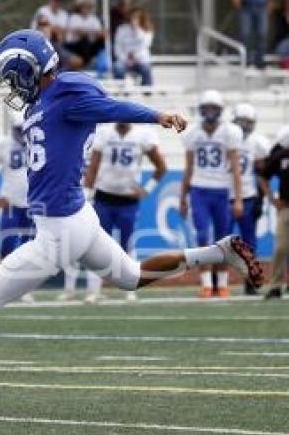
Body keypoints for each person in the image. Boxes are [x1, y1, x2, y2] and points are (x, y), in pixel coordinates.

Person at [0, 29, 263, 410]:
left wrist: (157, 116)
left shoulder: (67, 90)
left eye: (13, 77)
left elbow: (112, 108)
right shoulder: (45, 100)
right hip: (77, 218)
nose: (11, 86)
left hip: (58, 232)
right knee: (131, 276)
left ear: (32, 69)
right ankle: (218, 252)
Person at [83, 122, 167, 303]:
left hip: (128, 200)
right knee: (96, 246)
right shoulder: (104, 133)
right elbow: (93, 167)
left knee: (127, 245)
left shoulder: (142, 135)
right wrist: (88, 195)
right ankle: (93, 290)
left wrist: (146, 189)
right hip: (104, 197)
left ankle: (130, 288)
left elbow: (161, 167)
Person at [180, 90, 244, 298]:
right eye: (206, 108)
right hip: (199, 190)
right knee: (202, 235)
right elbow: (188, 168)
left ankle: (223, 283)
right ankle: (207, 284)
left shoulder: (229, 132)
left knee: (223, 239)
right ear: (201, 110)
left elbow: (235, 168)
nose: (209, 112)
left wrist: (239, 199)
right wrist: (182, 197)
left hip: (222, 191)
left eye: (213, 108)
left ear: (220, 110)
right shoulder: (193, 134)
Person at [0, 113, 35, 273]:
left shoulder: (41, 142)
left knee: (30, 247)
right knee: (7, 244)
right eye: (19, 130)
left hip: (34, 204)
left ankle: (24, 287)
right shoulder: (2, 145)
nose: (23, 134)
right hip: (11, 204)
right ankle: (1, 280)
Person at [229, 103, 271, 296]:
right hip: (224, 195)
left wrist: (261, 200)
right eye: (241, 122)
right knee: (219, 242)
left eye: (248, 122)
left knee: (249, 244)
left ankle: (250, 281)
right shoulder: (226, 137)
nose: (245, 126)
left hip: (248, 197)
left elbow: (262, 173)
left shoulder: (257, 143)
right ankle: (215, 282)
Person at [260, 127, 289, 299]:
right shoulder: (282, 157)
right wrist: (271, 198)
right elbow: (263, 175)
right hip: (286, 207)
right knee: (281, 247)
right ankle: (276, 285)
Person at [113, 7, 154, 86]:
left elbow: (145, 44)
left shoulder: (147, 30)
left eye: (136, 17)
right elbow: (117, 47)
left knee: (146, 69)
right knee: (117, 68)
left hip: (141, 60)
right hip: (125, 60)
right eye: (132, 17)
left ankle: (147, 92)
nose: (133, 19)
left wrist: (137, 29)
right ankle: (122, 90)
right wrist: (125, 58)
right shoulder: (121, 29)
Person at [64, 0, 106, 69]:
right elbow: (80, 32)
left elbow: (100, 33)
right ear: (80, 8)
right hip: (74, 46)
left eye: (88, 7)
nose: (86, 9)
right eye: (84, 6)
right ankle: (86, 63)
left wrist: (93, 33)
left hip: (90, 45)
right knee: (84, 40)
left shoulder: (94, 18)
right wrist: (92, 32)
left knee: (101, 41)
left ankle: (96, 62)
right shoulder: (74, 18)